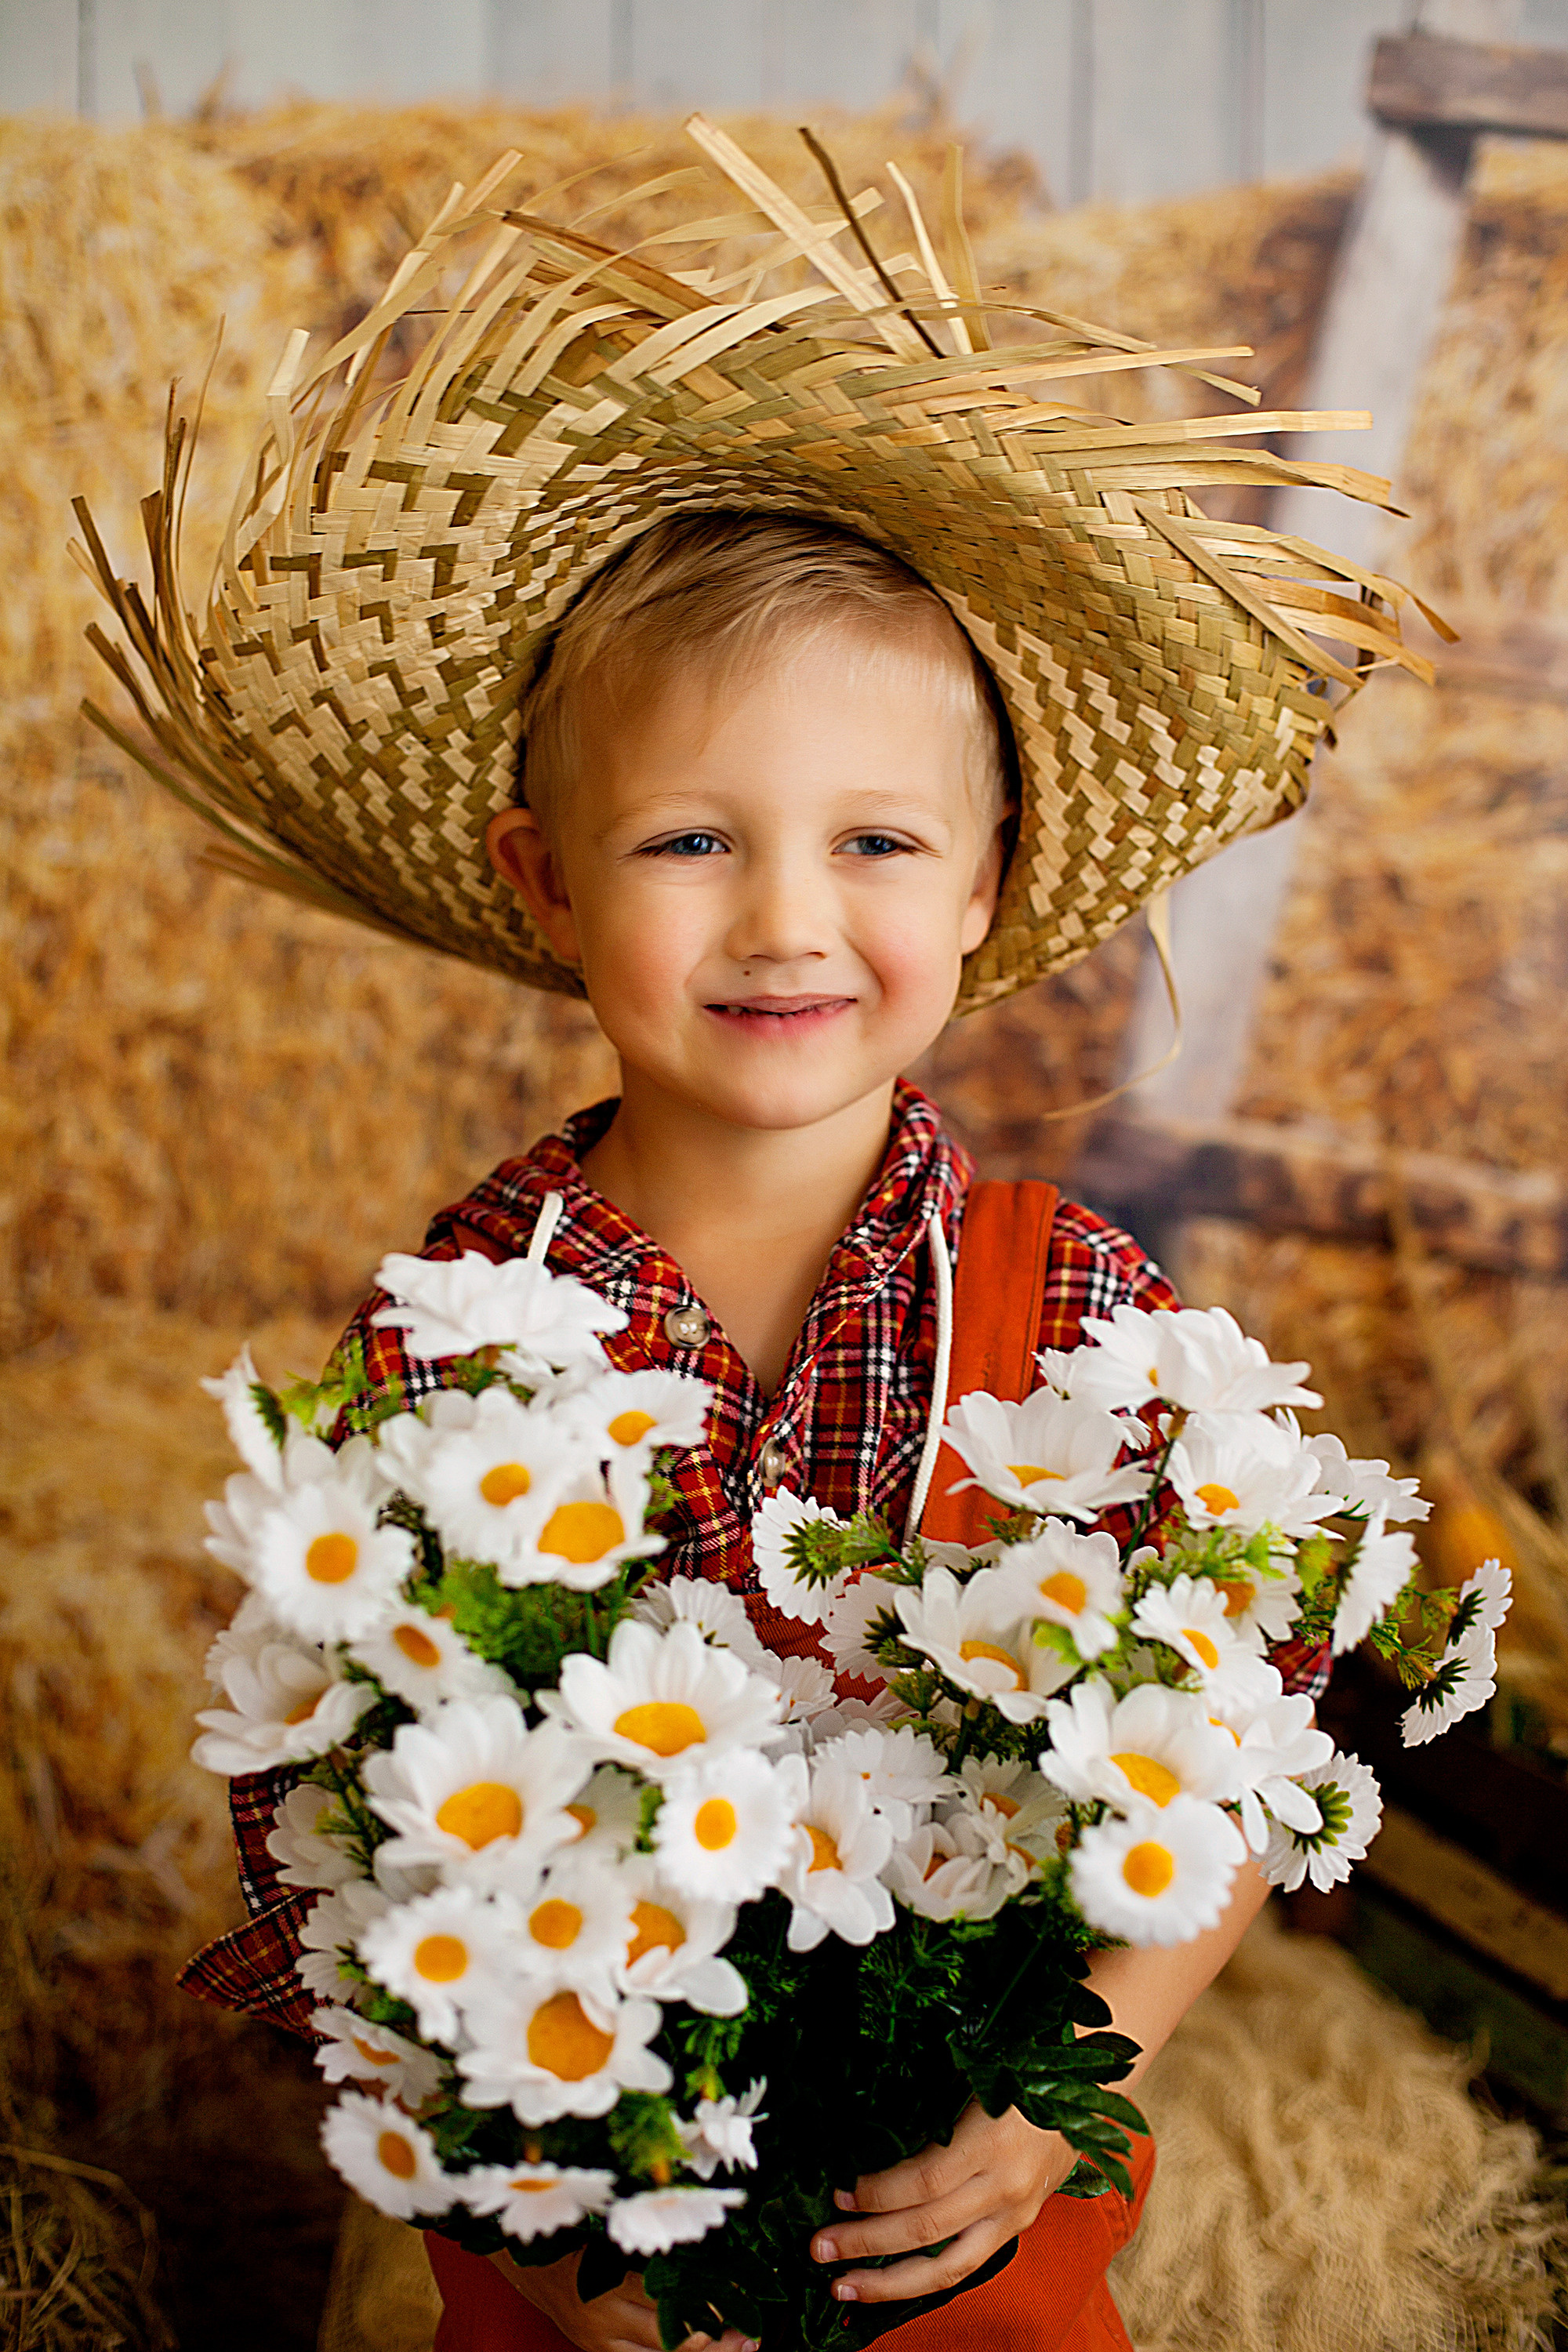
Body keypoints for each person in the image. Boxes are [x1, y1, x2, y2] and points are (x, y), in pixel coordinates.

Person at [84, 120, 1417, 2352]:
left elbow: (1243, 1741)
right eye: (692, 838)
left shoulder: (1088, 1321)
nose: (792, 920)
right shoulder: (469, 1335)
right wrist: (536, 2219)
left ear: (984, 893)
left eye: (877, 839)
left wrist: (1074, 2070)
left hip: (963, 2239)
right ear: (545, 885)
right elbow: (339, 1840)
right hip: (578, 2221)